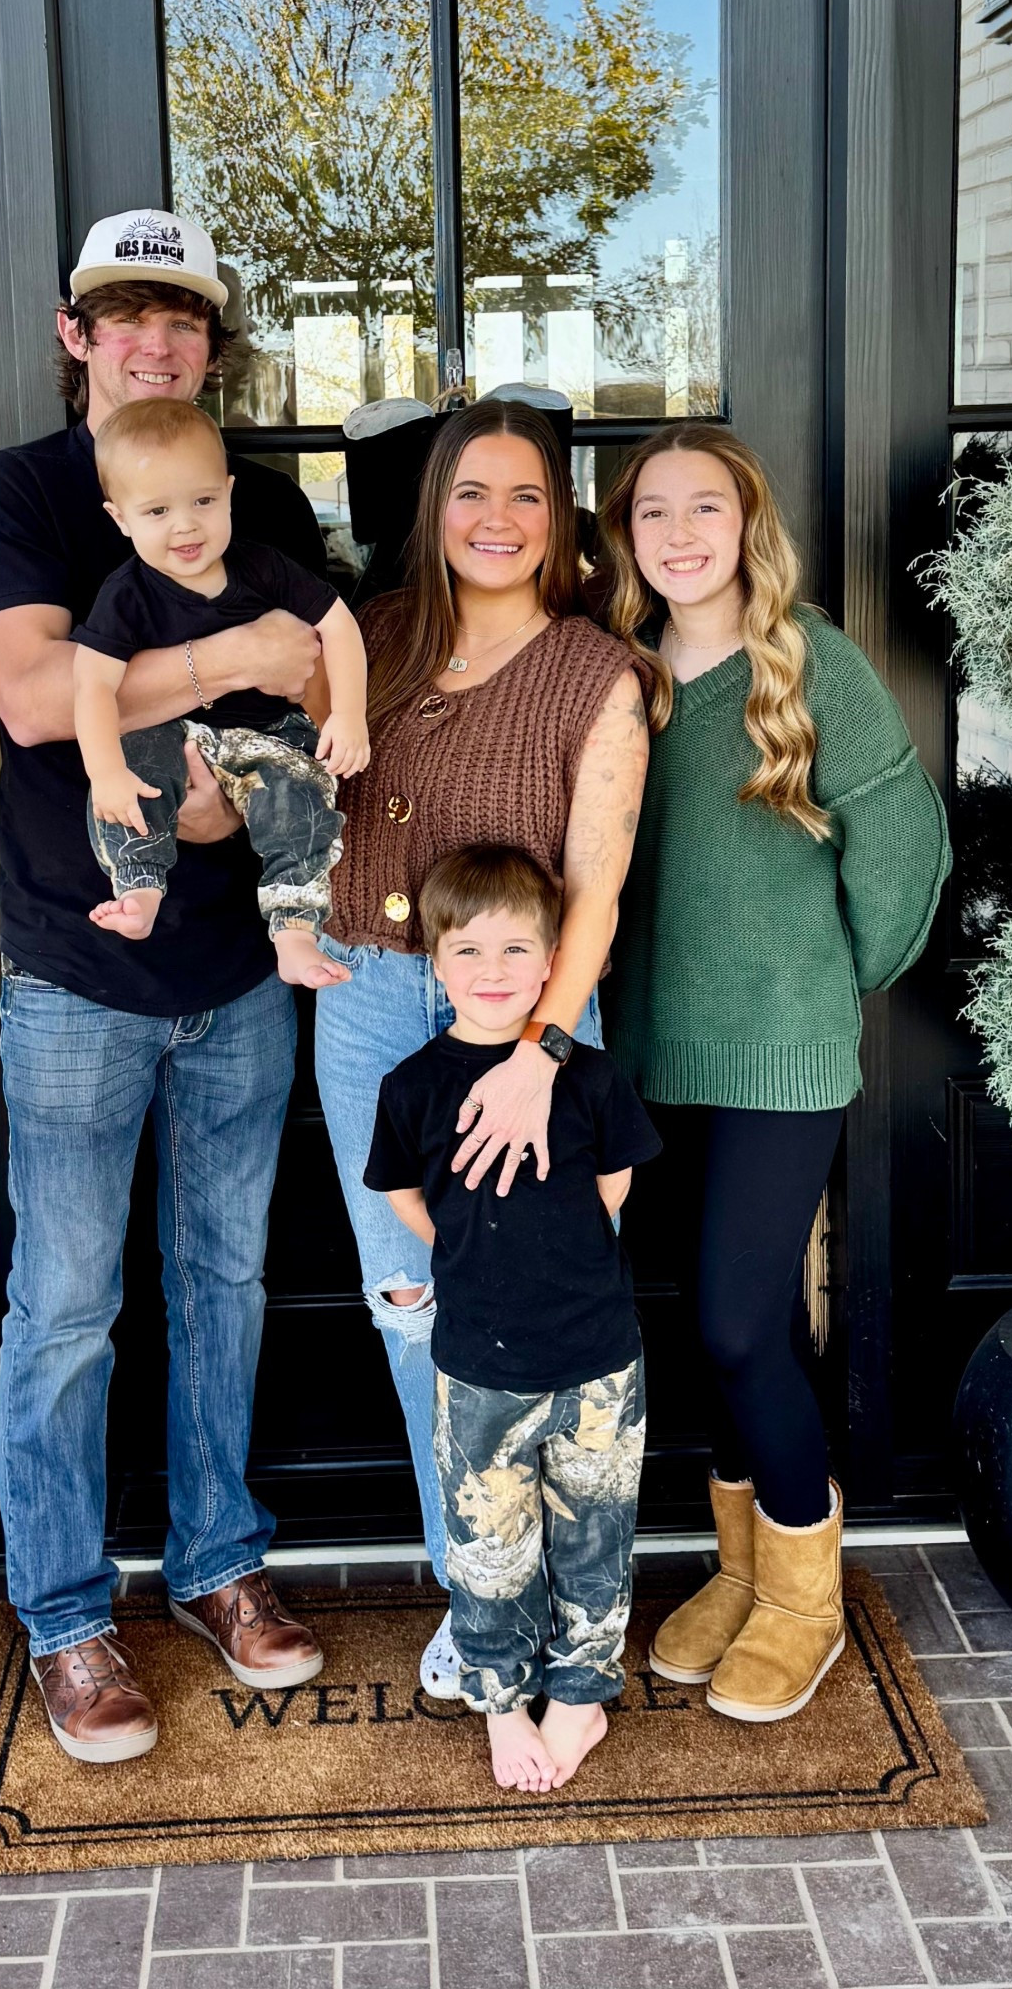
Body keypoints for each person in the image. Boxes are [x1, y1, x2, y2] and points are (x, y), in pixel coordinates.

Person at [0, 208, 330, 1765]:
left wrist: (248, 679)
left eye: (179, 319)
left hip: (240, 964)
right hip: (76, 969)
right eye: (123, 314)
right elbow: (39, 699)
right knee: (64, 1306)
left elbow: (313, 677)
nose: (152, 340)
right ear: (74, 333)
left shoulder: (268, 496)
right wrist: (228, 651)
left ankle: (218, 1571)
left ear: (209, 343)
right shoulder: (25, 492)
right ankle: (64, 1618)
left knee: (223, 1285)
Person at [596, 421, 950, 1723]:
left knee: (744, 1322)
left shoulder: (808, 663)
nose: (681, 535)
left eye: (707, 508)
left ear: (750, 523)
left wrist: (827, 977)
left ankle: (807, 1598)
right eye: (652, 514)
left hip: (780, 1054)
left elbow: (902, 844)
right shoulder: (620, 674)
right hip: (648, 1049)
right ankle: (745, 1574)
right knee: (711, 1322)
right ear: (623, 536)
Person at [313, 399, 653, 1698]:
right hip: (367, 1010)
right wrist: (284, 909)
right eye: (470, 494)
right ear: (432, 510)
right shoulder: (375, 641)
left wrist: (542, 1051)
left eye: (523, 495)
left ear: (557, 517)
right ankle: (478, 1593)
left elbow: (598, 884)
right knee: (413, 1309)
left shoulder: (594, 673)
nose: (495, 520)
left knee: (530, 1308)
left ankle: (569, 1599)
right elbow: (275, 778)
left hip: (528, 1025)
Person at [366, 846, 660, 1792]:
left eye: (515, 950)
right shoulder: (413, 1086)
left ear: (552, 964)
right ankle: (501, 1701)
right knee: (489, 1550)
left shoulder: (593, 1080)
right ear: (433, 961)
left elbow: (610, 1189)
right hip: (479, 1367)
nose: (491, 972)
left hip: (598, 1361)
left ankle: (579, 1696)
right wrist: (466, 1245)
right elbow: (405, 1195)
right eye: (468, 951)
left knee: (594, 1538)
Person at [73, 397, 369, 986]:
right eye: (157, 510)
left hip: (265, 733)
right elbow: (91, 685)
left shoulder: (262, 567)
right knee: (135, 773)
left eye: (203, 501)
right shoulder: (127, 593)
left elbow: (339, 625)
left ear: (229, 493)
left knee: (302, 793)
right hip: (174, 731)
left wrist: (349, 714)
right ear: (120, 518)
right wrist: (103, 769)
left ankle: (294, 929)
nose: (185, 525)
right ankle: (140, 890)